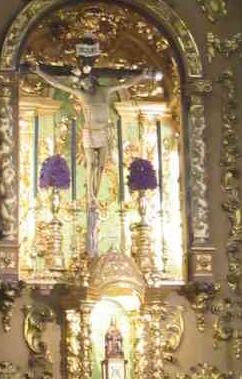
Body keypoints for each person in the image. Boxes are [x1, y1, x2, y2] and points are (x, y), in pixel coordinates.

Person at [30, 62, 158, 255]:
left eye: (87, 81)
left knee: (101, 165)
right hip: (90, 132)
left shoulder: (105, 91)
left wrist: (142, 75)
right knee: (91, 164)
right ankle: (91, 197)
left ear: (92, 79)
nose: (85, 85)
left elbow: (124, 84)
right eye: (83, 83)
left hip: (104, 132)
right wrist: (40, 72)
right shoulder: (82, 95)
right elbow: (59, 85)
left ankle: (95, 195)